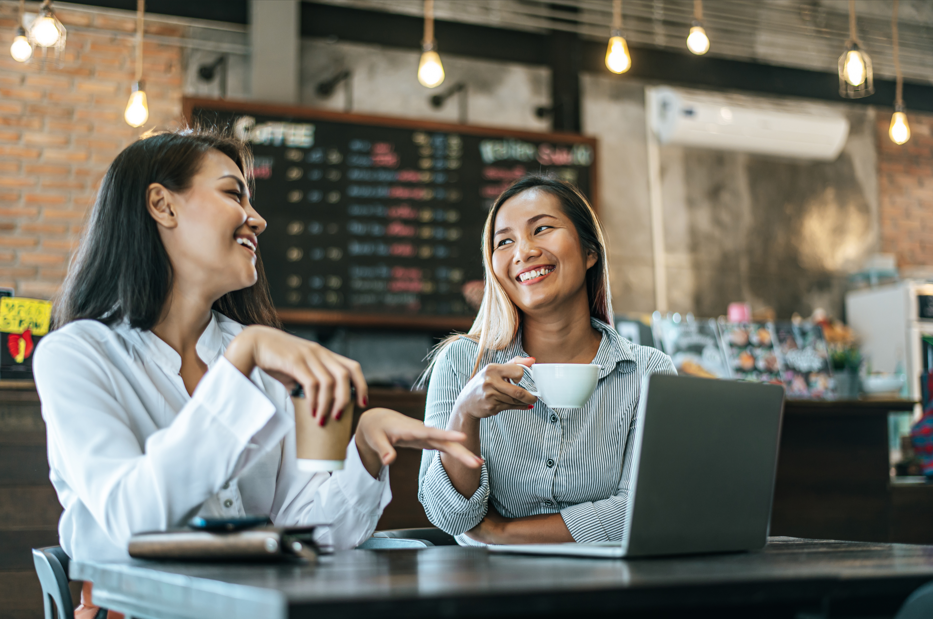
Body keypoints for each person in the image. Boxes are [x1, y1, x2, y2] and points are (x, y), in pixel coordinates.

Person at [34, 129, 482, 619]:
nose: (258, 219)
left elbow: (313, 536)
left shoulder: (262, 356)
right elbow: (130, 519)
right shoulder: (75, 355)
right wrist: (240, 362)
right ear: (162, 206)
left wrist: (366, 451)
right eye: (233, 193)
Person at [418, 175, 675, 546]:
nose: (523, 251)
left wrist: (500, 533)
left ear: (590, 251)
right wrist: (465, 415)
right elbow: (450, 515)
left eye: (541, 229)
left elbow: (641, 512)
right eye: (504, 241)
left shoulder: (648, 372)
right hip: (489, 592)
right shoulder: (462, 362)